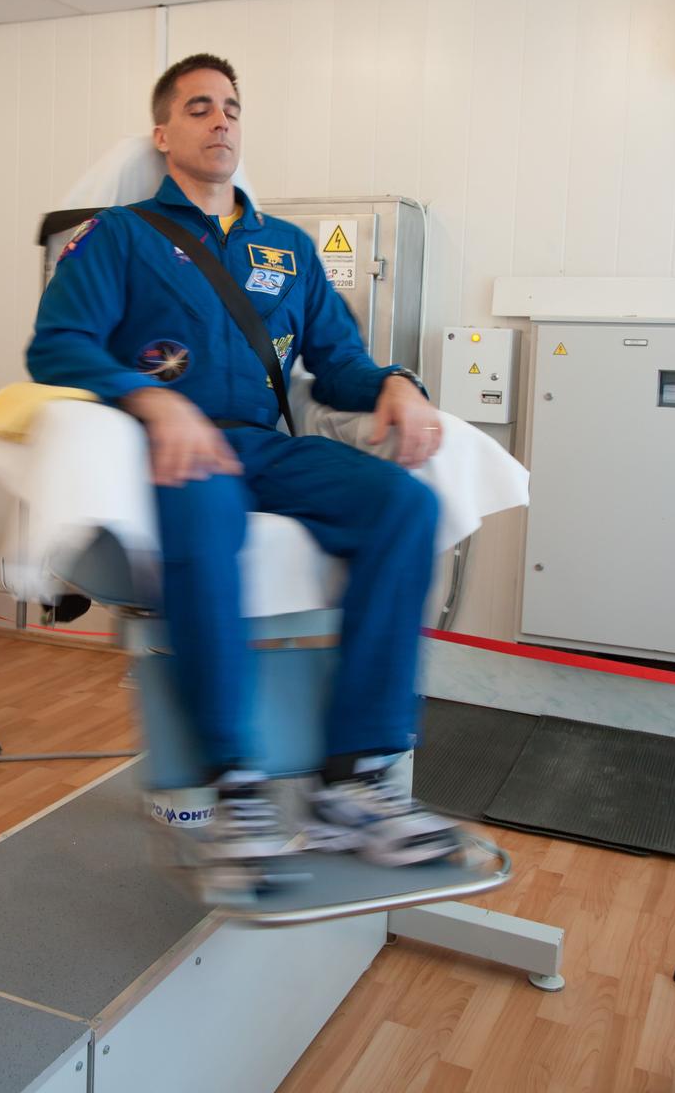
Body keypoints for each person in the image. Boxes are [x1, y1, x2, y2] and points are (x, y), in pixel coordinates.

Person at [27, 53, 459, 875]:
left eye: (229, 107)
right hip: (181, 445)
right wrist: (148, 399)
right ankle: (237, 785)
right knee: (205, 502)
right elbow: (57, 345)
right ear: (162, 134)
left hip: (264, 442)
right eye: (197, 108)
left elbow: (337, 362)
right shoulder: (117, 236)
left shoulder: (287, 247)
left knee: (404, 506)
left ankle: (353, 783)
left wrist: (396, 385)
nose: (220, 120)